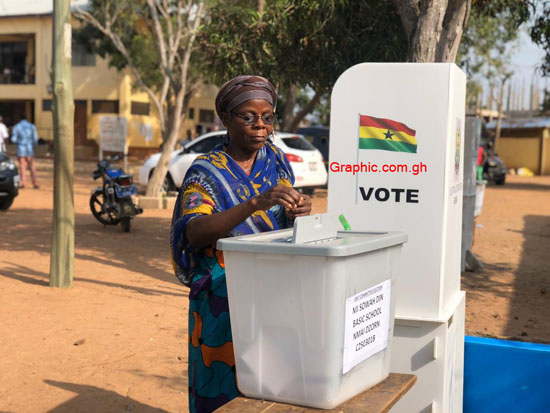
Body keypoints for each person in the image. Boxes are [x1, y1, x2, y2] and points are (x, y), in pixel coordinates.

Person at [170, 75, 312, 413]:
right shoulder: (206, 171)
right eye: (248, 117)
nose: (260, 125)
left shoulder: (275, 160)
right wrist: (254, 203)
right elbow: (195, 232)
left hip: (272, 287)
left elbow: (282, 220)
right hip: (222, 291)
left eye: (267, 117)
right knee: (221, 379)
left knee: (270, 377)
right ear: (226, 120)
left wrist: (298, 212)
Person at [11, 115, 39, 189]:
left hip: (21, 149)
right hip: (29, 149)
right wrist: (31, 145)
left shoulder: (16, 127)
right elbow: (35, 139)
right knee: (32, 166)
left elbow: (13, 139)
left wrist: (19, 142)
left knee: (22, 167)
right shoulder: (32, 126)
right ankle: (35, 183)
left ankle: (23, 183)